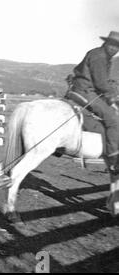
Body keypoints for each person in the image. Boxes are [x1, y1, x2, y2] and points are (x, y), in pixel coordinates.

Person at [67, 31, 119, 173]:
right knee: (113, 119)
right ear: (106, 43)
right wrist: (112, 98)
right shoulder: (100, 57)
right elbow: (101, 83)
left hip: (86, 89)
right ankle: (114, 158)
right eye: (112, 45)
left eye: (118, 47)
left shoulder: (102, 55)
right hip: (85, 91)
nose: (115, 49)